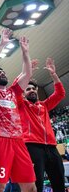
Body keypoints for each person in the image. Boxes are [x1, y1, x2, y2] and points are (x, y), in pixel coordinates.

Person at [0, 29, 36, 192]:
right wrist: (2, 44)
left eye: (3, 72)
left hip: (18, 141)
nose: (2, 73)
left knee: (30, 187)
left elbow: (27, 73)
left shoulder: (14, 91)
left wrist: (25, 52)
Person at [18, 58, 66, 192]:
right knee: (36, 185)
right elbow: (15, 90)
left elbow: (60, 94)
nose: (32, 90)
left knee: (59, 183)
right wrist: (27, 73)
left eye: (33, 88)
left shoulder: (44, 105)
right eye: (28, 89)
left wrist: (54, 75)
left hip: (51, 147)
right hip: (32, 147)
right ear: (23, 93)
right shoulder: (21, 105)